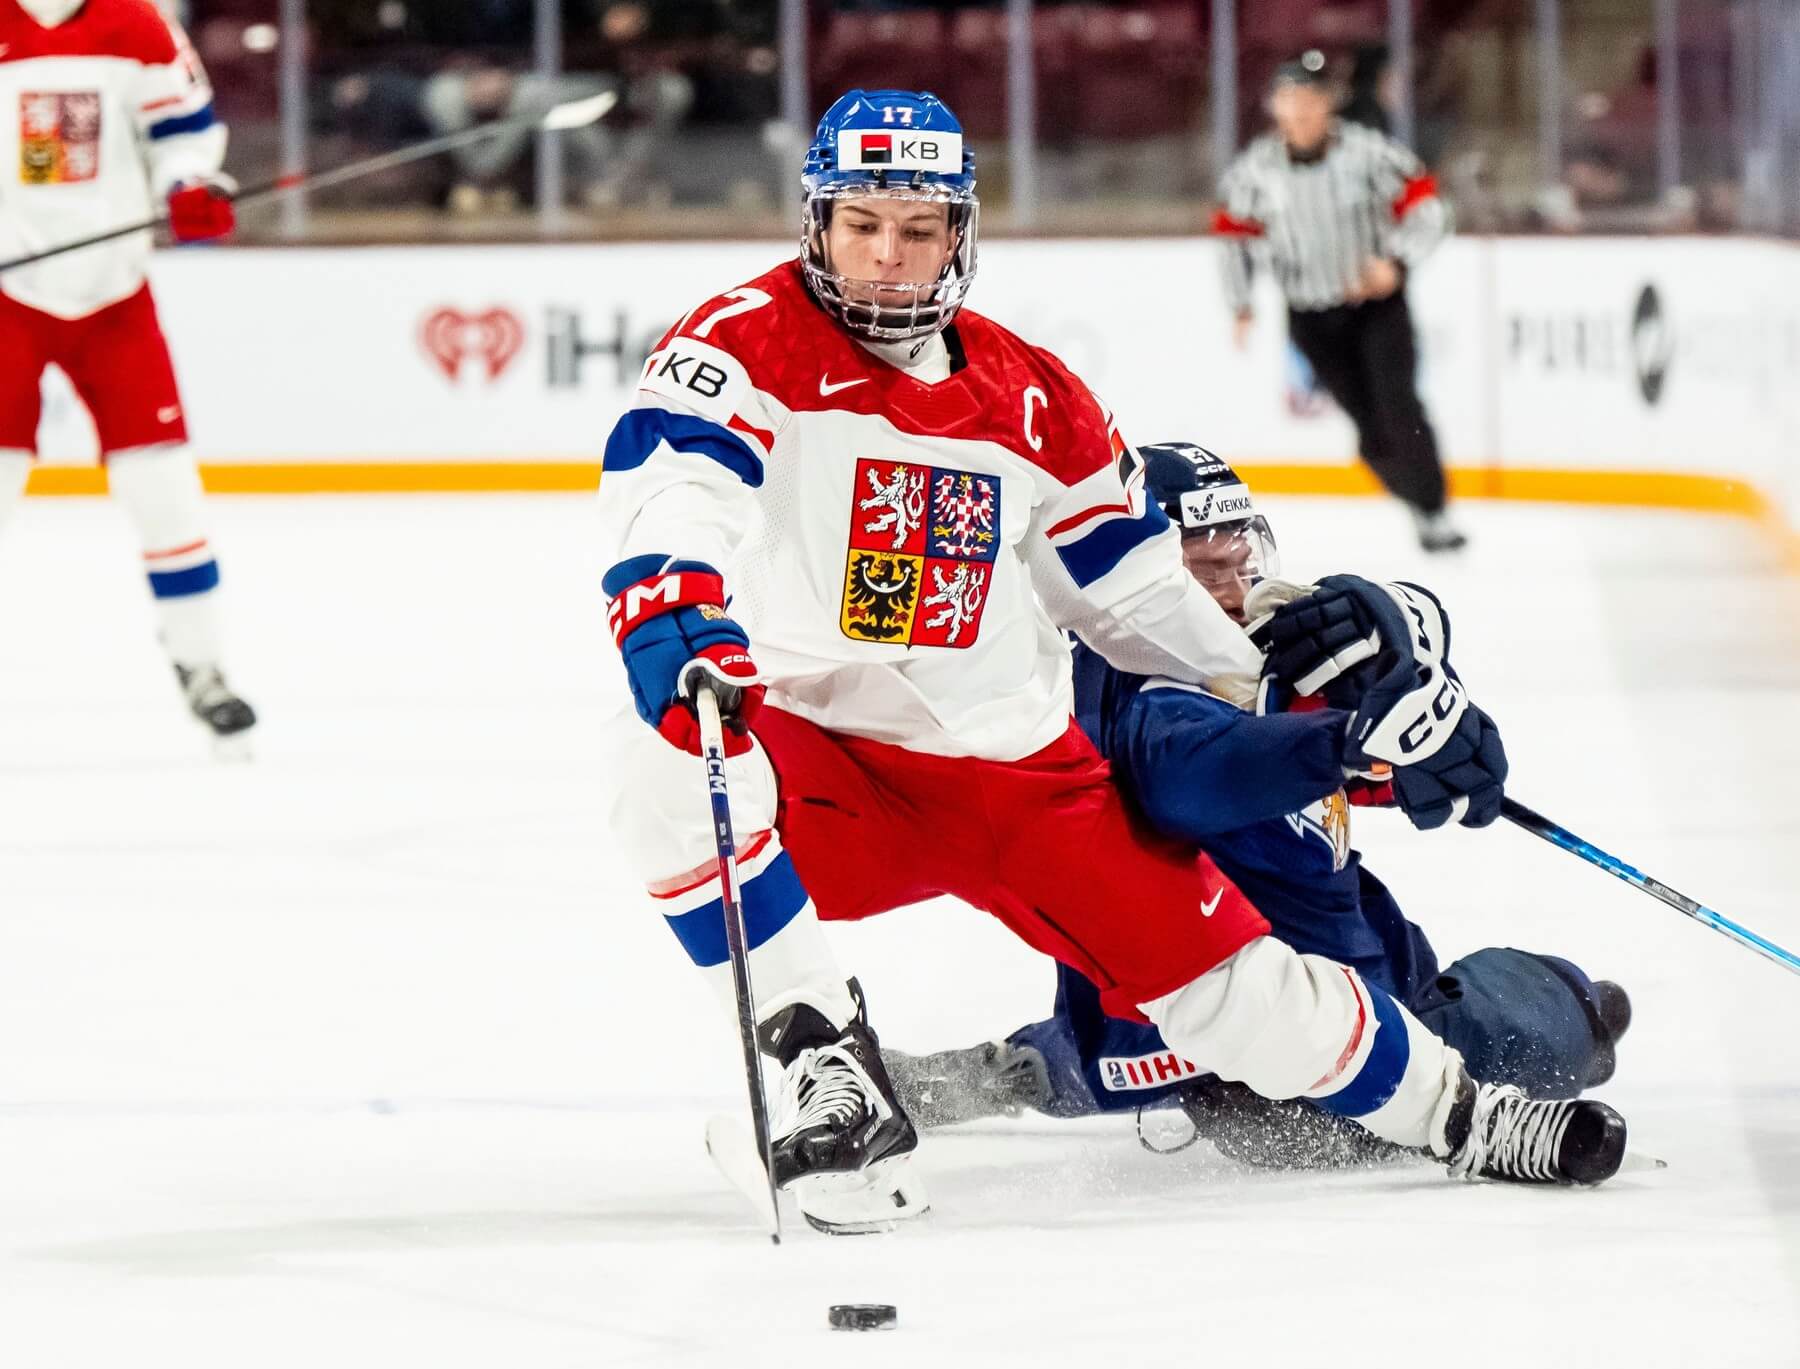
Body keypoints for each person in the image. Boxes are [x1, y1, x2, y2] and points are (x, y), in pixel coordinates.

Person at [596, 88, 1627, 1235]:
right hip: (838, 769)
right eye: (863, 224)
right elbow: (678, 480)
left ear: (959, 233)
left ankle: (1463, 1112)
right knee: (668, 758)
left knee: (1236, 994)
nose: (888, 256)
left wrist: (1320, 709)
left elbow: (1140, 598)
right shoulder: (740, 341)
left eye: (919, 228)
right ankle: (821, 1062)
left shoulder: (1037, 398)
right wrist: (672, 600)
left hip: (1021, 776)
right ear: (818, 222)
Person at [887, 445, 1633, 1169]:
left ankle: (1021, 1070)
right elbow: (1206, 772)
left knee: (1134, 1032)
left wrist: (1412, 752)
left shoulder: (1199, 662)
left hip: (1199, 1024)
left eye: (1242, 560)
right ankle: (1559, 1017)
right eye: (1203, 570)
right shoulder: (1151, 700)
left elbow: (1306, 744)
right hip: (1293, 1040)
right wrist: (1347, 743)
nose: (1236, 590)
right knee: (1551, 1019)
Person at [0, 0, 254, 742]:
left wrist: (188, 188)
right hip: (7, 298)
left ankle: (201, 663)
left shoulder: (137, 26)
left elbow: (184, 135)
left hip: (114, 292)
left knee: (164, 488)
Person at [1215, 50, 1465, 554]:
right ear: (1274, 106)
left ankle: (1433, 508)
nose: (1302, 109)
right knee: (1370, 429)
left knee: (1400, 408)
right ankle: (1415, 499)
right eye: (1291, 98)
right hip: (1311, 317)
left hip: (1377, 311)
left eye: (1312, 97)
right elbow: (1235, 240)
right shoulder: (1253, 173)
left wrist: (1396, 263)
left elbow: (1431, 209)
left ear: (1329, 103)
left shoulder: (1370, 154)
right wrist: (1241, 304)